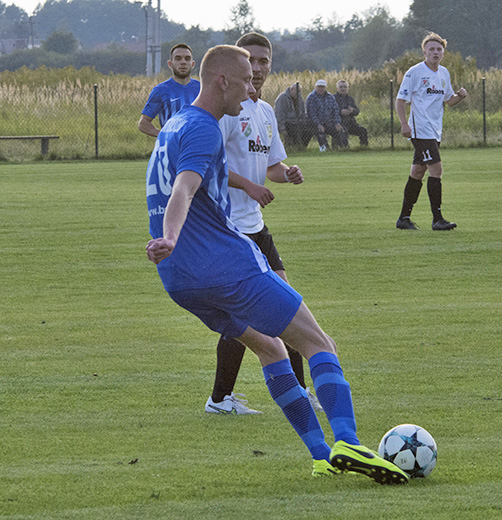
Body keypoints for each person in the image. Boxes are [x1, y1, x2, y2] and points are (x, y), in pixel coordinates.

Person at [145, 44, 409, 483]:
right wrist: (170, 236)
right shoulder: (205, 128)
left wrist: (170, 243)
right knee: (319, 343)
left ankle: (322, 456)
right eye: (245, 80)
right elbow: (184, 189)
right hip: (225, 265)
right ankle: (348, 440)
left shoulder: (172, 126)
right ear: (222, 81)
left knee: (270, 348)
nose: (251, 89)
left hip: (179, 279)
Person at [206, 32, 321, 416]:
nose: (257, 68)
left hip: (255, 225)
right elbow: (210, 165)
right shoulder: (226, 112)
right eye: (251, 61)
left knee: (286, 305)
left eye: (263, 61)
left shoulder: (266, 112)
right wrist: (250, 186)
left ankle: (294, 393)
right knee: (253, 315)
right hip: (230, 228)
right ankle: (221, 399)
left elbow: (271, 167)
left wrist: (287, 173)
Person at [395, 32, 467, 231]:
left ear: (443, 52)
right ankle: (438, 219)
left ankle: (403, 218)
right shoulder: (415, 72)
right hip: (420, 130)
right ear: (424, 52)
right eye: (432, 49)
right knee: (436, 169)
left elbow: (449, 100)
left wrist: (460, 97)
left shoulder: (443, 73)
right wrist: (404, 124)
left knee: (418, 172)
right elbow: (400, 100)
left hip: (435, 130)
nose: (435, 52)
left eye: (439, 49)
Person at [137, 43, 201, 138]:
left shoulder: (202, 89)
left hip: (197, 144)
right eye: (178, 58)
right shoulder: (161, 90)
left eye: (187, 59)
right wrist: (164, 135)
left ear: (192, 64)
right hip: (172, 146)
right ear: (170, 64)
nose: (183, 62)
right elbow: (143, 123)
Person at [305, 79, 346, 151]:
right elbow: (311, 113)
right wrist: (318, 124)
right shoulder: (311, 97)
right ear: (315, 87)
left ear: (325, 88)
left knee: (340, 130)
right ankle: (325, 149)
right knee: (320, 132)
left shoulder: (330, 97)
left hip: (329, 123)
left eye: (322, 87)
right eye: (319, 86)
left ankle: (338, 148)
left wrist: (337, 123)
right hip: (314, 124)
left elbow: (335, 111)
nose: (321, 88)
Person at [273, 82, 313, 149]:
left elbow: (303, 112)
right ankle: (293, 146)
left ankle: (302, 147)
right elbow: (279, 114)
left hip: (298, 121)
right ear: (291, 89)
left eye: (300, 92)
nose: (299, 93)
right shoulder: (282, 98)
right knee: (295, 130)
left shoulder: (300, 98)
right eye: (297, 91)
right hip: (287, 122)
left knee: (310, 129)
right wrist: (282, 128)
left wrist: (305, 121)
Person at [334, 80, 369, 147]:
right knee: (343, 131)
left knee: (363, 131)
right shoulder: (333, 98)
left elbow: (357, 111)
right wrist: (340, 112)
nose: (343, 89)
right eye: (341, 87)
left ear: (348, 88)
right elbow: (329, 112)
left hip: (351, 123)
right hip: (339, 123)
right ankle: (345, 149)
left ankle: (364, 148)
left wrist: (352, 110)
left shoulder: (350, 99)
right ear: (337, 88)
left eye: (345, 87)